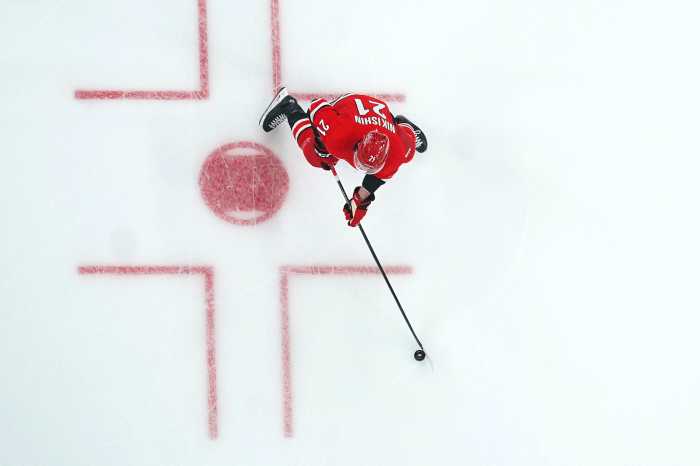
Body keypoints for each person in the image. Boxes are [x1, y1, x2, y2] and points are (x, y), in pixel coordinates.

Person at [259, 87, 427, 226]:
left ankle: (400, 123)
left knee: (407, 141)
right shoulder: (338, 134)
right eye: (362, 164)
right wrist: (320, 142)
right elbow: (316, 106)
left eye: (370, 168)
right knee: (317, 158)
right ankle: (289, 107)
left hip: (382, 116)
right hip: (349, 104)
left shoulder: (400, 152)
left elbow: (379, 176)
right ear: (358, 145)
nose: (364, 170)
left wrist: (360, 200)